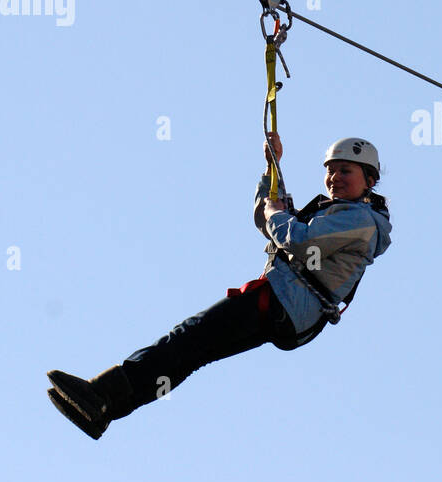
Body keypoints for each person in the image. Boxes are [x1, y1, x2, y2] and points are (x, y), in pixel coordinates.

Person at [46, 135, 392, 439]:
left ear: (369, 180)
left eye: (346, 170)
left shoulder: (360, 220)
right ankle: (103, 408)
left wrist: (277, 215)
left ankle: (101, 394)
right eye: (331, 170)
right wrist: (272, 170)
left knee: (186, 338)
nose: (334, 178)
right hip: (284, 306)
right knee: (190, 350)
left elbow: (299, 241)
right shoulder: (333, 213)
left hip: (282, 301)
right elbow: (268, 222)